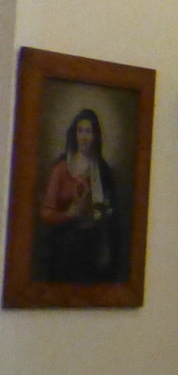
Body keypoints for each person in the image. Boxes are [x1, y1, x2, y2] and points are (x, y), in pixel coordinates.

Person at [37, 109, 122, 284]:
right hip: (63, 246)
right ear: (74, 134)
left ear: (95, 136)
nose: (84, 137)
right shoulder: (61, 168)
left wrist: (101, 213)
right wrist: (70, 215)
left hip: (93, 247)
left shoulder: (102, 171)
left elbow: (110, 213)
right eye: (80, 131)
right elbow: (47, 213)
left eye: (88, 132)